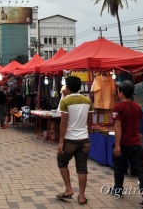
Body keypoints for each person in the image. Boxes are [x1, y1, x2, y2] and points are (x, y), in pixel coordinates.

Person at [112, 80, 143, 208]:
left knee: (119, 168)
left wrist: (117, 145)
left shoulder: (118, 107)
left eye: (118, 91)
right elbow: (138, 125)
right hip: (136, 144)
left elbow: (118, 126)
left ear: (121, 92)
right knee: (141, 170)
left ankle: (118, 190)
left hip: (123, 144)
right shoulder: (137, 107)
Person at [56, 76, 93, 205]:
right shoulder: (87, 100)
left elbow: (63, 122)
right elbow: (89, 120)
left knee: (62, 161)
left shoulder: (65, 101)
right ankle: (81, 197)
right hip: (84, 140)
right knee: (82, 168)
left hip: (70, 140)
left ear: (68, 87)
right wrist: (86, 132)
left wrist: (61, 142)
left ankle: (69, 189)